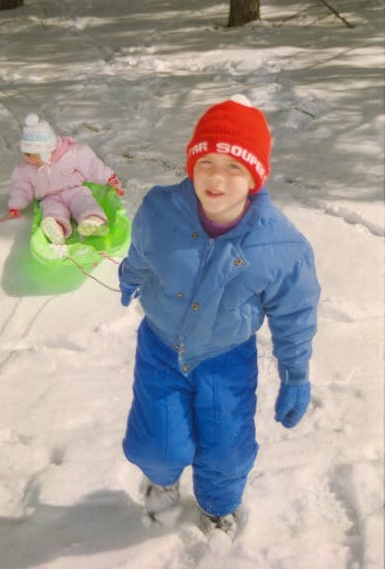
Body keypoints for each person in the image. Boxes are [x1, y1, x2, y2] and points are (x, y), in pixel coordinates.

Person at [118, 96, 320, 537]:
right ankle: (161, 479)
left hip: (226, 359)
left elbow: (295, 314)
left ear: (255, 176)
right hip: (161, 348)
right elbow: (142, 252)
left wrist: (296, 375)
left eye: (234, 166)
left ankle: (216, 506)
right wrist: (130, 276)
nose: (215, 176)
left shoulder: (280, 247)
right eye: (206, 160)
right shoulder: (160, 210)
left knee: (227, 449)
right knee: (160, 442)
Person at [2, 113, 124, 243]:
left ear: (46, 152)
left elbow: (93, 166)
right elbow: (21, 188)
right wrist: (15, 206)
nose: (30, 159)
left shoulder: (72, 155)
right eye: (27, 155)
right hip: (50, 198)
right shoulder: (26, 169)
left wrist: (110, 178)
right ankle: (56, 227)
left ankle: (92, 221)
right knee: (52, 211)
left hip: (75, 191)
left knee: (84, 203)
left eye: (34, 155)